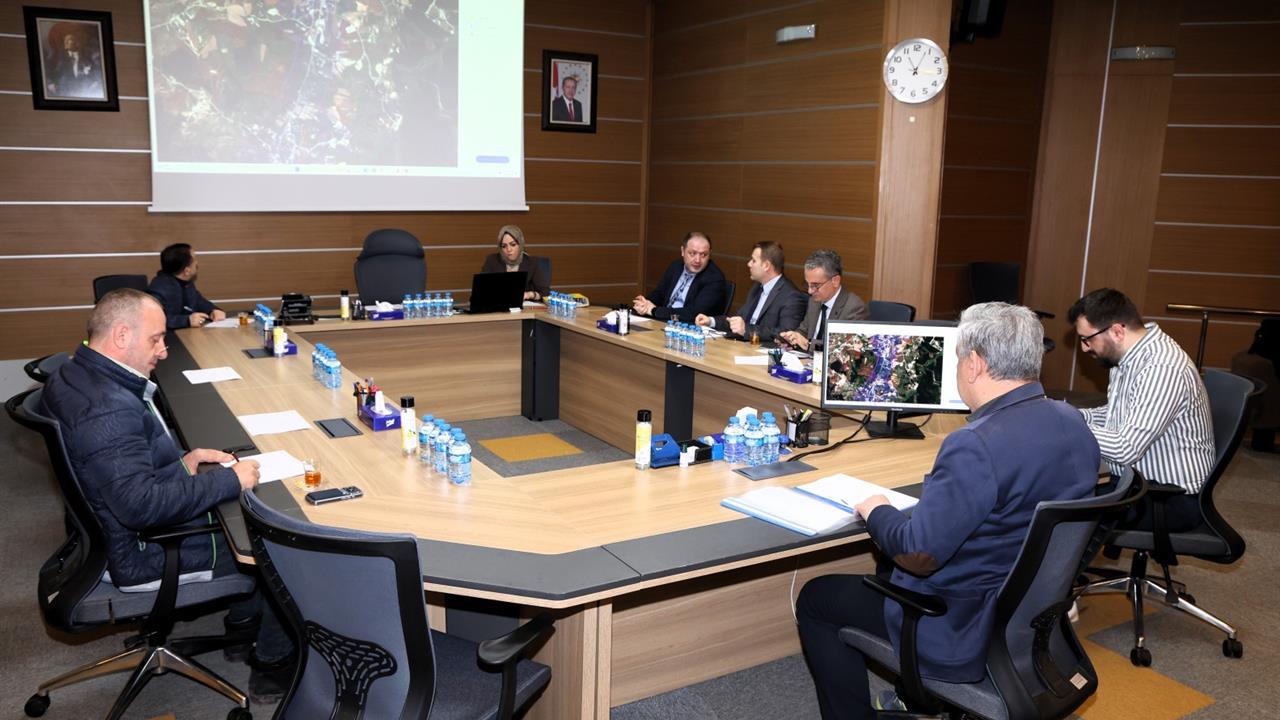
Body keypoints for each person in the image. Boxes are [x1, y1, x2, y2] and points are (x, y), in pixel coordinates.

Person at [796, 302, 1100, 720]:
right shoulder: (1072, 421)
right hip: (1025, 622)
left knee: (817, 598)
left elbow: (917, 555)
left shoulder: (976, 444)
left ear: (974, 364)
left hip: (956, 625)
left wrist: (876, 508)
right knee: (884, 568)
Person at [40, 289, 295, 702]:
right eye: (156, 339)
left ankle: (241, 628)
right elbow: (140, 506)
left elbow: (119, 472)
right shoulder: (107, 407)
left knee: (246, 516)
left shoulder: (78, 374)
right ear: (121, 336)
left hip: (109, 534)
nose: (163, 350)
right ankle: (272, 665)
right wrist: (230, 480)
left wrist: (184, 462)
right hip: (141, 552)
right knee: (279, 545)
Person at [1069, 288, 1214, 532]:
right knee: (1057, 487)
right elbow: (1116, 414)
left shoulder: (1161, 368)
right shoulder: (1127, 357)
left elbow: (1126, 448)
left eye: (1087, 339)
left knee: (1059, 506)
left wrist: (1065, 425)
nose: (1084, 348)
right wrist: (1071, 414)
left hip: (1167, 499)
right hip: (1136, 484)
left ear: (1117, 331)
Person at [694, 240, 805, 342]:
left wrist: (746, 330)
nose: (749, 264)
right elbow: (737, 321)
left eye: (753, 261)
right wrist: (710, 321)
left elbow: (785, 335)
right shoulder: (757, 287)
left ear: (766, 265)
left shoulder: (791, 296)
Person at [778, 249, 869, 352]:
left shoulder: (854, 308)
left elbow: (844, 349)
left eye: (815, 285)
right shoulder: (814, 301)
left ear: (835, 281)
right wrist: (793, 337)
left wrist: (808, 344)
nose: (810, 291)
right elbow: (804, 330)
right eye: (807, 284)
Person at [633, 231, 727, 323]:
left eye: (703, 255)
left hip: (688, 327)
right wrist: (644, 304)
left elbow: (693, 314)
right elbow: (659, 294)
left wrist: (654, 311)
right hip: (663, 321)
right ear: (682, 251)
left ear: (709, 254)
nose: (697, 260)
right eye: (692, 253)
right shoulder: (676, 267)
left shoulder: (715, 279)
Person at [148, 243, 226, 329]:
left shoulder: (186, 283)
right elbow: (154, 320)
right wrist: (186, 320)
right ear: (187, 271)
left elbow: (199, 301)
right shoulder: (159, 290)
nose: (197, 263)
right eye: (195, 260)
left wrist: (213, 310)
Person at [480, 224, 551, 301]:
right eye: (504, 246)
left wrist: (529, 294)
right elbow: (481, 290)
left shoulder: (533, 263)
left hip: (525, 307)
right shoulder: (492, 260)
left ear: (520, 244)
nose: (509, 249)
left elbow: (545, 293)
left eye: (513, 244)